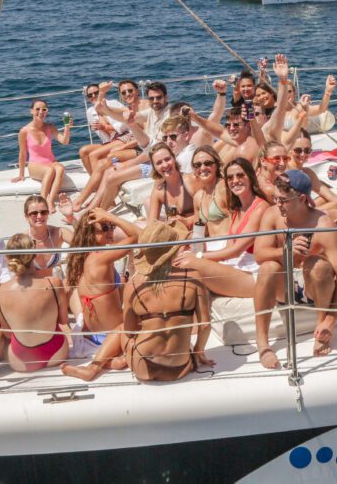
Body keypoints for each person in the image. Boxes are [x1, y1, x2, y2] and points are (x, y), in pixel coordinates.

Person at [253, 171, 337, 369]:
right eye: (276, 198)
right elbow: (259, 254)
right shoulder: (272, 215)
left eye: (283, 200)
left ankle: (321, 329)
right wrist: (286, 251)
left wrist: (331, 319)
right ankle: (262, 343)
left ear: (302, 199)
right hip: (284, 286)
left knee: (319, 265)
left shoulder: (322, 224)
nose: (278, 204)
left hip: (312, 289)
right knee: (268, 267)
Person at [122, 220, 214, 382]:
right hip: (179, 367)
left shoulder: (133, 285)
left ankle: (113, 362)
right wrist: (198, 351)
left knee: (121, 331)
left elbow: (129, 331)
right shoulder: (192, 277)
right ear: (174, 250)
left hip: (143, 365)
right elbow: (205, 325)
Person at [60, 209, 141, 379]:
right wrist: (112, 216)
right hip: (112, 334)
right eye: (104, 227)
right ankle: (94, 367)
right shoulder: (101, 257)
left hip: (90, 337)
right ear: (90, 234)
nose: (110, 231)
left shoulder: (80, 257)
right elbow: (137, 236)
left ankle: (107, 361)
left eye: (111, 226)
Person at [176, 158, 270, 297]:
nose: (235, 180)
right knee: (184, 256)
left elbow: (236, 251)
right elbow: (228, 248)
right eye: (230, 177)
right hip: (236, 266)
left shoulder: (260, 208)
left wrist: (199, 256)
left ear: (250, 177)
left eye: (240, 175)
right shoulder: (237, 209)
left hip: (252, 274)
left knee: (189, 262)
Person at [73, 81, 171, 211]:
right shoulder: (151, 112)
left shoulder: (166, 115)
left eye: (158, 97)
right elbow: (121, 116)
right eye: (152, 98)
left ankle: (94, 211)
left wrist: (129, 161)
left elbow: (152, 147)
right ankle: (93, 208)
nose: (155, 101)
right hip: (146, 154)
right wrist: (105, 105)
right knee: (105, 167)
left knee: (109, 168)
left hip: (154, 160)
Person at [0, 234, 69, 372]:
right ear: (34, 255)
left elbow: (9, 334)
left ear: (8, 258)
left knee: (3, 339)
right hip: (56, 352)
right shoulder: (53, 283)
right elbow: (63, 320)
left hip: (21, 359)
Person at [12, 98, 72, 212]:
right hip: (35, 165)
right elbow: (23, 153)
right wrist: (21, 174)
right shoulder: (24, 131)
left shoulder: (50, 127)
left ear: (47, 111)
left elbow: (64, 141)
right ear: (31, 111)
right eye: (37, 109)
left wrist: (67, 128)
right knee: (50, 171)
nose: (41, 112)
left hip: (50, 161)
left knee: (60, 168)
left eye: (44, 109)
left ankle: (50, 200)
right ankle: (43, 201)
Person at [78, 83, 131, 174]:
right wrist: (101, 129)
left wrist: (104, 127)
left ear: (101, 93)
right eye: (90, 95)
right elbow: (104, 137)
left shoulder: (114, 104)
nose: (93, 96)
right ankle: (95, 181)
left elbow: (126, 126)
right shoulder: (90, 112)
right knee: (83, 151)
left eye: (96, 93)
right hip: (109, 141)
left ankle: (97, 183)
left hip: (124, 137)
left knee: (93, 155)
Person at [147, 142, 196, 229]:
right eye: (159, 163)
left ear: (174, 158)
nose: (165, 165)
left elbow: (208, 212)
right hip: (177, 236)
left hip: (198, 233)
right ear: (154, 167)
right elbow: (151, 225)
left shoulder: (191, 180)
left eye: (167, 159)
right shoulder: (159, 191)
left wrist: (187, 221)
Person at [24, 195, 73, 278]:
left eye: (43, 212)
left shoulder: (59, 232)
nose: (39, 216)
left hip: (58, 286)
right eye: (34, 213)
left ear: (48, 214)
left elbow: (85, 244)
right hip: (36, 288)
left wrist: (70, 217)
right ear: (26, 216)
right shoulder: (23, 239)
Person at [191, 146, 229, 238]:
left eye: (208, 163)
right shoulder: (198, 197)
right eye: (197, 165)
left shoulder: (224, 188)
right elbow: (198, 233)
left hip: (229, 244)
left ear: (216, 165)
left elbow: (239, 221)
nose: (202, 168)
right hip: (210, 245)